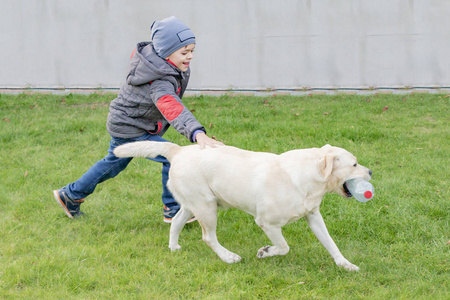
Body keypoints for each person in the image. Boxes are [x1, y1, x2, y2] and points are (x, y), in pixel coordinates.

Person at [53, 16, 223, 223]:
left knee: (113, 163)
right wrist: (197, 133)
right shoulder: (158, 79)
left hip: (130, 124)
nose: (190, 56)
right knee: (173, 157)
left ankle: (70, 195)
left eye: (192, 50)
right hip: (130, 128)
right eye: (184, 52)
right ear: (166, 52)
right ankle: (173, 209)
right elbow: (172, 107)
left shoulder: (160, 61)